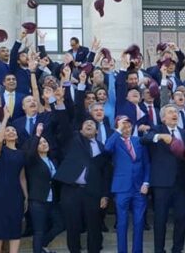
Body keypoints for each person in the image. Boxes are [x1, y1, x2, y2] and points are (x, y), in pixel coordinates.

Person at [52, 96, 112, 253]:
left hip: (93, 192)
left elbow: (105, 174)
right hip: (71, 191)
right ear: (80, 129)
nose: (89, 125)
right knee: (73, 227)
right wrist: (59, 103)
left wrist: (105, 195)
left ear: (97, 130)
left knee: (94, 226)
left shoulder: (102, 147)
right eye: (86, 124)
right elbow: (65, 124)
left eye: (92, 124)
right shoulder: (73, 140)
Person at [141, 105, 185, 253]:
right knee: (160, 219)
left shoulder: (184, 132)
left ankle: (177, 249)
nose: (174, 114)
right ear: (163, 118)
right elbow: (144, 139)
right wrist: (161, 137)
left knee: (181, 218)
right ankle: (159, 250)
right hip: (162, 183)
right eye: (170, 112)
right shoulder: (157, 129)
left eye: (176, 112)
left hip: (181, 183)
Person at [105, 116, 150, 253]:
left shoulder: (139, 141)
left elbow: (147, 164)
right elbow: (107, 149)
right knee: (122, 223)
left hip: (139, 188)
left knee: (139, 222)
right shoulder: (115, 141)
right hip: (122, 187)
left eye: (128, 125)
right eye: (123, 126)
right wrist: (118, 130)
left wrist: (146, 182)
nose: (126, 128)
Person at [0, 108, 27, 253]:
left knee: (15, 225)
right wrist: (5, 118)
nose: (11, 132)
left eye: (13, 131)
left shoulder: (22, 154)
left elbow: (22, 176)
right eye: (7, 131)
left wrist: (26, 196)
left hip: (16, 193)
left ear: (17, 136)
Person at [25, 122, 65, 253]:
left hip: (51, 200)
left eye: (45, 142)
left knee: (60, 224)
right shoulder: (33, 161)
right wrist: (37, 135)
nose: (44, 143)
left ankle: (42, 245)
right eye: (41, 142)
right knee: (39, 230)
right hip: (37, 200)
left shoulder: (52, 160)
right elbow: (30, 153)